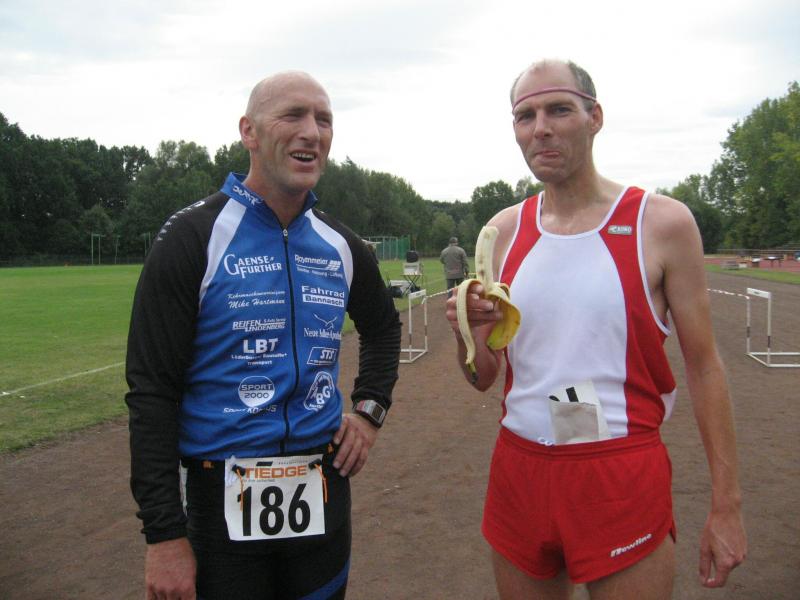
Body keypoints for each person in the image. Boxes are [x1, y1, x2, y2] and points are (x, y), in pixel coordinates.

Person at [445, 59, 746, 599]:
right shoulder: (503, 231)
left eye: (558, 109)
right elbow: (483, 377)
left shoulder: (661, 223)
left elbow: (704, 367)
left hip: (618, 471)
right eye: (525, 116)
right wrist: (466, 334)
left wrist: (727, 505)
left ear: (595, 117)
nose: (541, 128)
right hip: (519, 467)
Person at [125, 71, 401, 600]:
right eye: (293, 115)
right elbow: (152, 390)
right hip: (219, 498)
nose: (312, 132)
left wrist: (369, 412)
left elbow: (384, 326)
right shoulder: (192, 237)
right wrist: (163, 535)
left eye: (324, 120)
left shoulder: (340, 244)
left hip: (322, 488)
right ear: (249, 132)